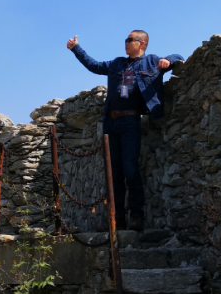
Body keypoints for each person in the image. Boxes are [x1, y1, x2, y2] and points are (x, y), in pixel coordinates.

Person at [67, 30, 184, 231]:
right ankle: (116, 219)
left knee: (130, 169)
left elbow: (179, 58)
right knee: (114, 173)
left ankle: (136, 216)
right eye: (125, 40)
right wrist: (76, 49)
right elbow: (94, 66)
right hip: (110, 123)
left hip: (131, 120)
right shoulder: (117, 63)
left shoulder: (152, 61)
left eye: (130, 40)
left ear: (142, 43)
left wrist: (168, 60)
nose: (126, 43)